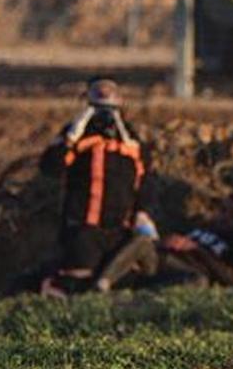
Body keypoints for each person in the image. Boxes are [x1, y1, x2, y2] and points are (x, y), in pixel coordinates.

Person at [37, 77, 157, 296]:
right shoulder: (78, 136)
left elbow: (145, 181)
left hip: (119, 230)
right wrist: (71, 138)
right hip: (84, 229)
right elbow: (51, 168)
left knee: (127, 280)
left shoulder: (130, 141)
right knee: (79, 283)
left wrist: (142, 213)